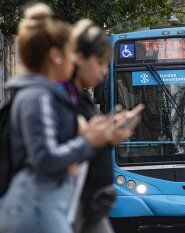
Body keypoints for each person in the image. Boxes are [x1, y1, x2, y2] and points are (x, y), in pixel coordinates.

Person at [0, 3, 114, 233]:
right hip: (37, 209)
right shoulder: (39, 96)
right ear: (56, 57)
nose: (75, 61)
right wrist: (88, 141)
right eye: (71, 52)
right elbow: (45, 157)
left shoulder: (39, 94)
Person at [56, 19, 144, 233]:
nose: (105, 71)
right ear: (80, 58)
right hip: (68, 209)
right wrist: (96, 139)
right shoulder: (58, 98)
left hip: (90, 208)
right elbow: (56, 156)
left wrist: (110, 135)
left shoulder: (80, 98)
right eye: (100, 63)